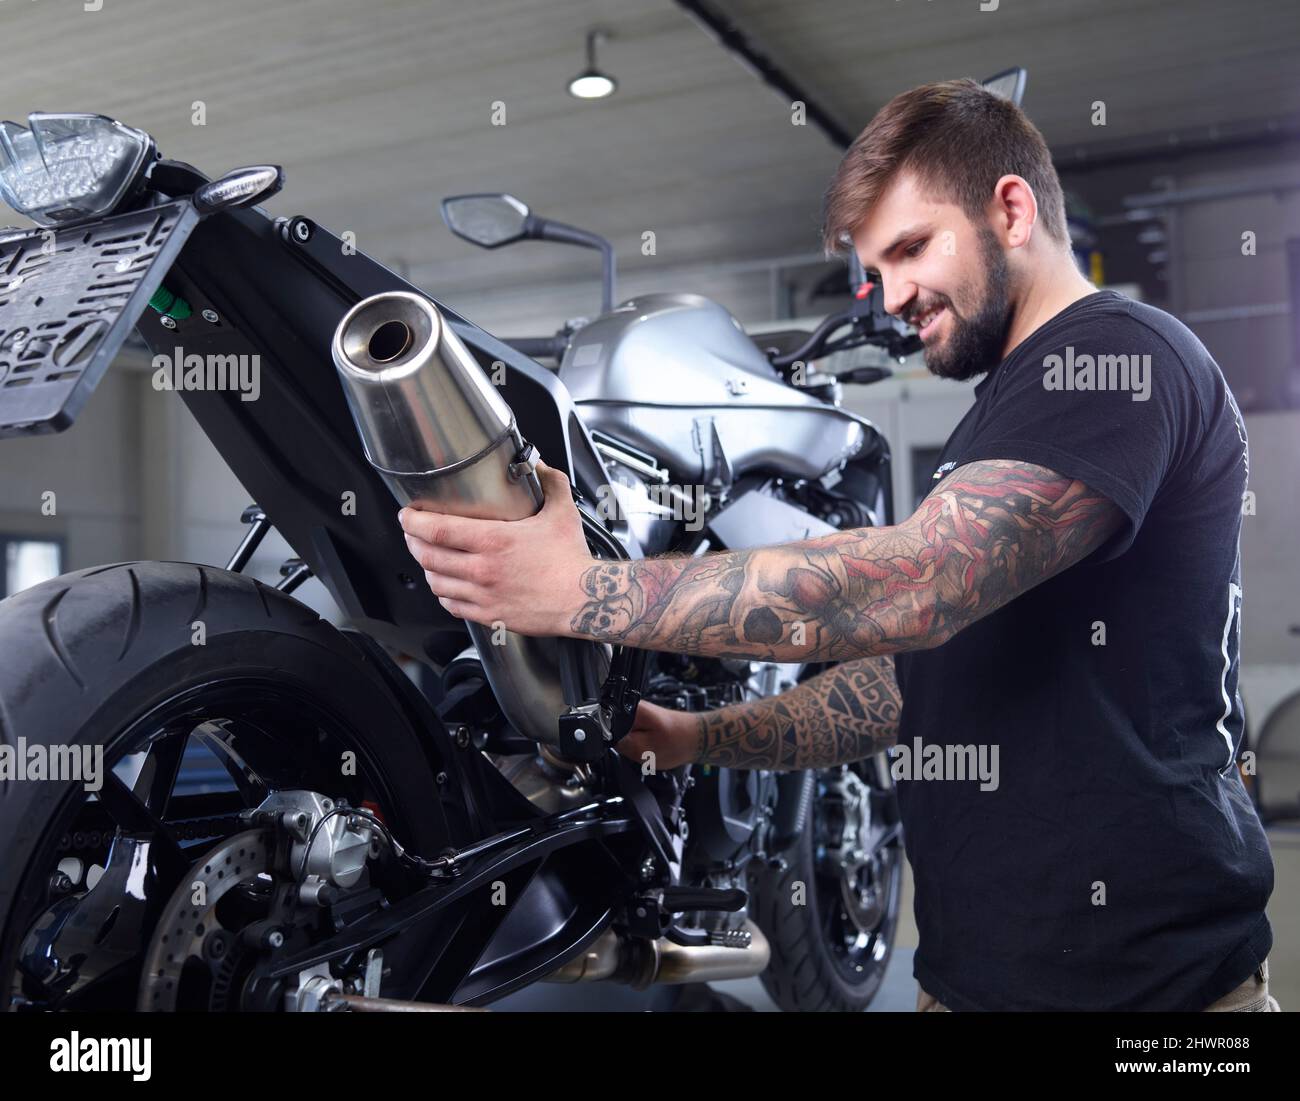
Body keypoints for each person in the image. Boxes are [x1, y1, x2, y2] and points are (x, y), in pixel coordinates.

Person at [397, 79, 1276, 1012]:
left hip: (1158, 996)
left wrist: (579, 590)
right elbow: (910, 678)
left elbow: (916, 584)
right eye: (875, 269)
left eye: (909, 249)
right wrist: (700, 736)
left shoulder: (1120, 358)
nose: (892, 296)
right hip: (970, 983)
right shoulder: (1002, 413)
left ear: (1011, 209)